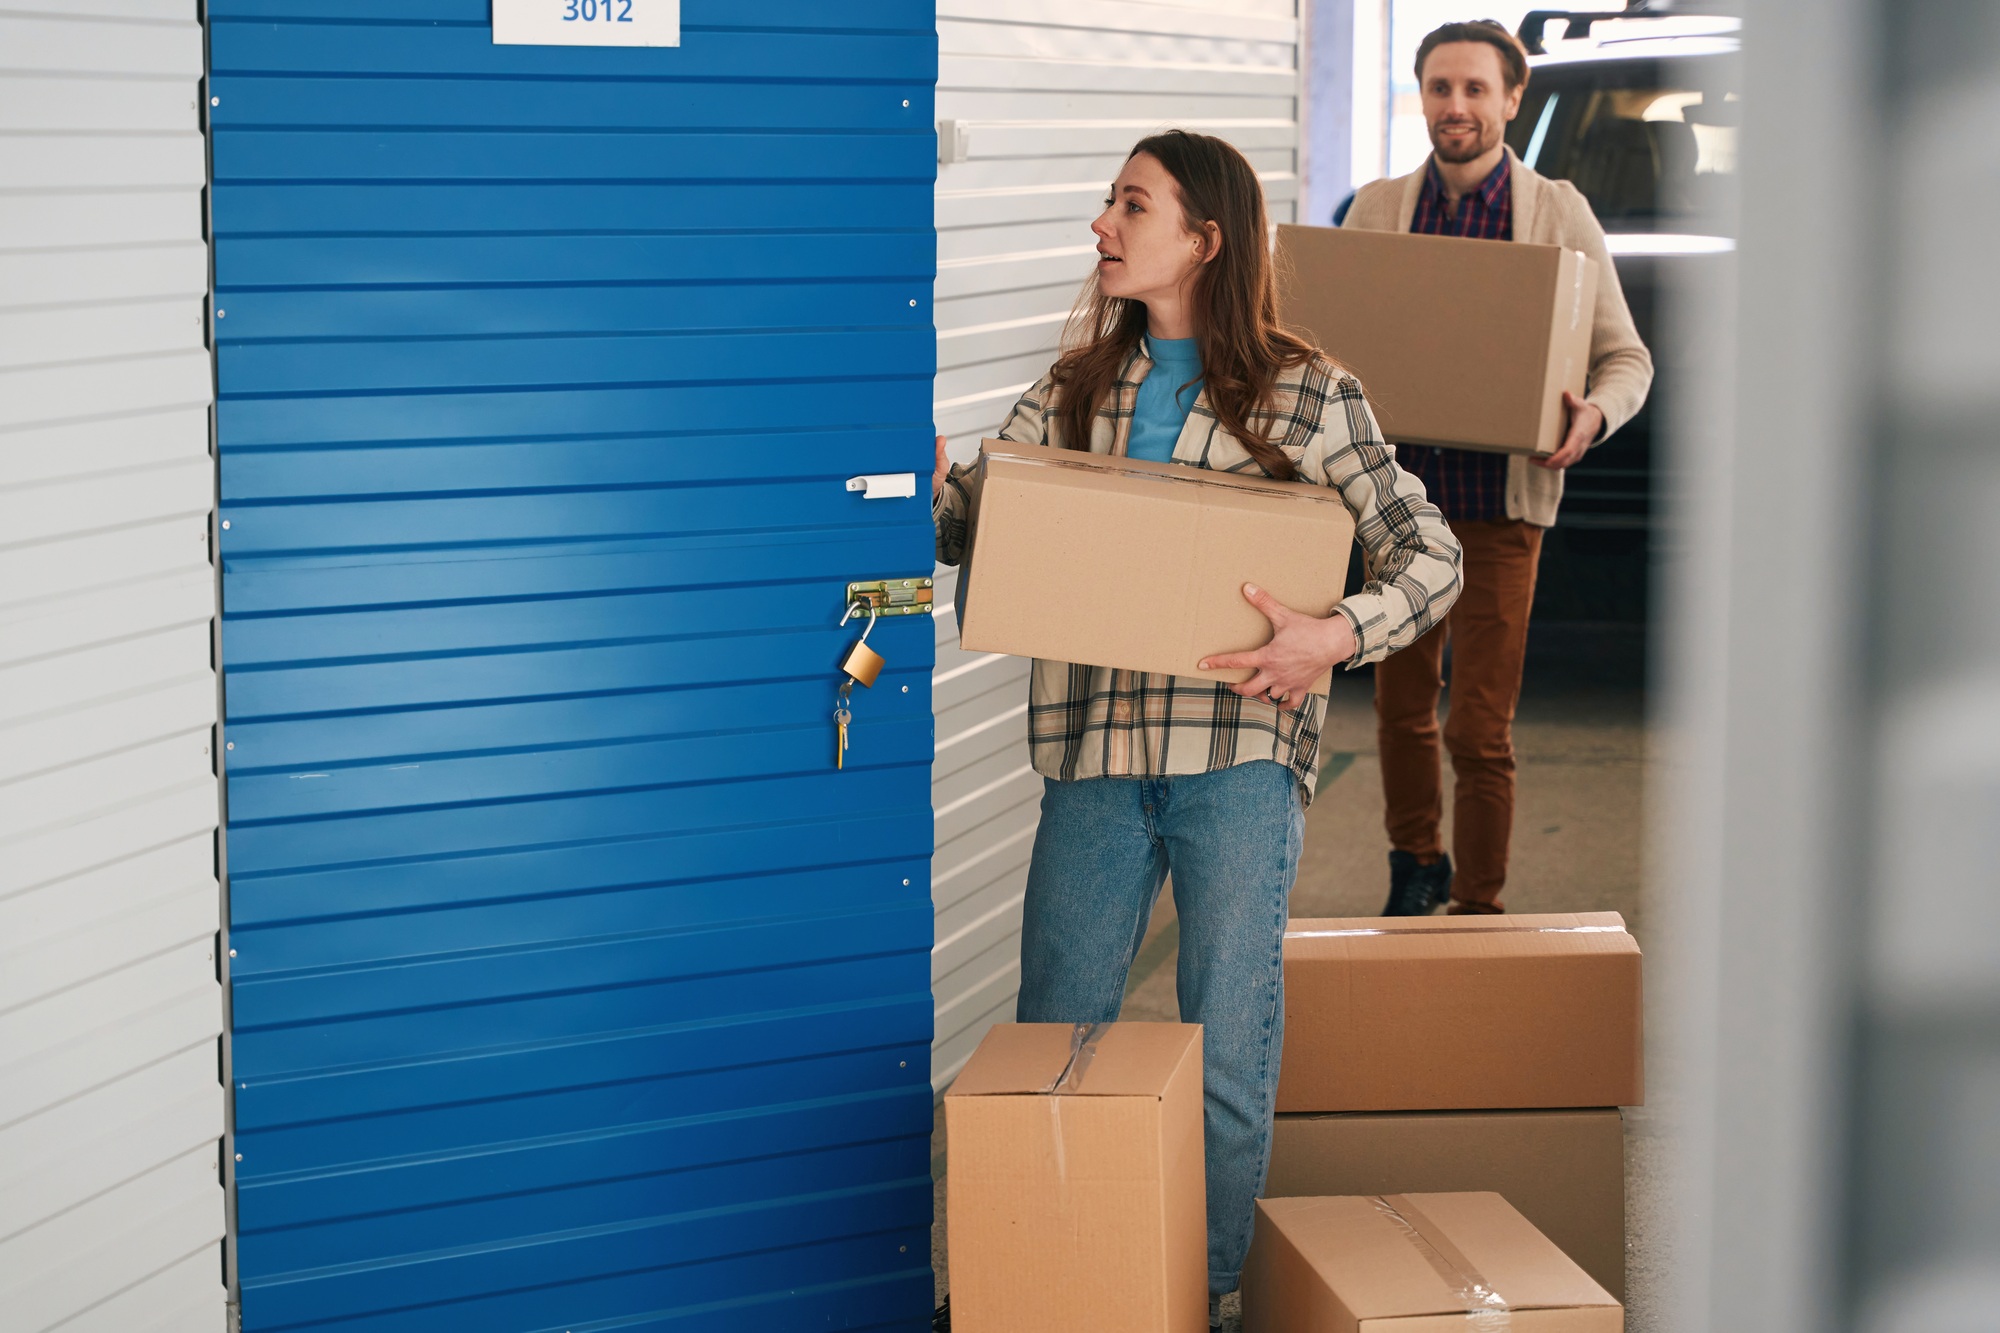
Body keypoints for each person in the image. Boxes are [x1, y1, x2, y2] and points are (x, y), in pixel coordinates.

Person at [930, 131, 1460, 1327]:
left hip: (1234, 765)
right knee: (1055, 1037)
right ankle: (1056, 1279)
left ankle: (1207, 1291)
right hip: (1094, 766)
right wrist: (929, 489)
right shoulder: (1073, 387)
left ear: (1202, 238)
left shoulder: (1311, 393)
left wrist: (1334, 635)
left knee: (1224, 1051)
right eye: (1109, 203)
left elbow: (1431, 557)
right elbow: (980, 522)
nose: (1100, 226)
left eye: (1129, 204)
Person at [1344, 20, 1653, 916]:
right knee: (1400, 714)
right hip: (1399, 515)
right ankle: (1416, 864)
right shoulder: (1377, 211)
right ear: (1423, 97)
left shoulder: (1559, 215)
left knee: (1478, 728)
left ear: (1512, 100)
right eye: (1441, 88)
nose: (1457, 107)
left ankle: (1479, 905)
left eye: (1476, 90)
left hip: (1500, 512)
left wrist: (1594, 414)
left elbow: (1625, 358)